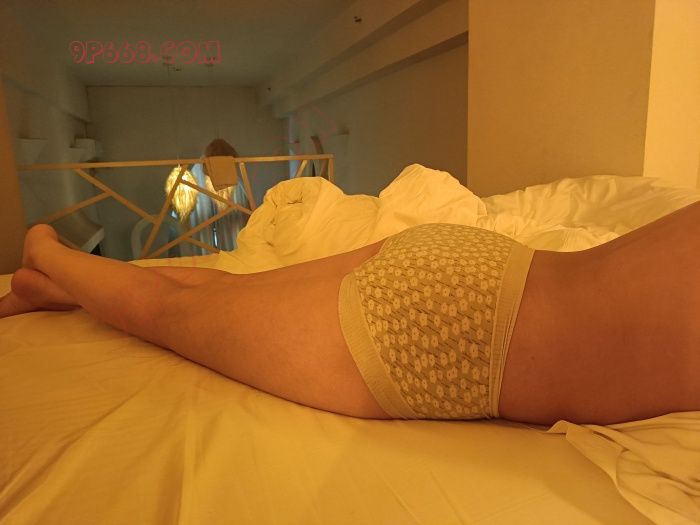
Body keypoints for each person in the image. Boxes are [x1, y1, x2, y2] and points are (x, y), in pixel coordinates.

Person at [1, 201, 698, 426]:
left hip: (481, 268)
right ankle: (48, 251)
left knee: (217, 293)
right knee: (168, 315)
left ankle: (56, 286)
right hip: (456, 333)